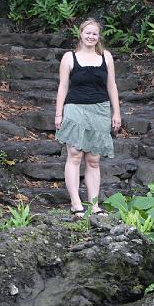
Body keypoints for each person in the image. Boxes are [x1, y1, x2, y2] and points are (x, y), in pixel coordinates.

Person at [54, 18, 121, 217]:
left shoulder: (106, 57)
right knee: (74, 155)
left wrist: (116, 113)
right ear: (80, 34)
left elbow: (112, 86)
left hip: (100, 109)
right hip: (74, 108)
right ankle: (76, 203)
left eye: (95, 34)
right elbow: (63, 86)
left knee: (93, 160)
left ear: (98, 37)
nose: (91, 36)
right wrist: (59, 113)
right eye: (87, 33)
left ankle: (94, 205)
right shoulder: (69, 57)